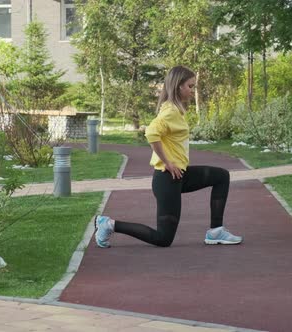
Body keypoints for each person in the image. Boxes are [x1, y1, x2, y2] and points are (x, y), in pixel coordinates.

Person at [93, 65, 242, 248]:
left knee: (221, 176)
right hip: (167, 179)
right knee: (163, 239)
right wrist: (167, 162)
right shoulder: (170, 111)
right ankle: (108, 224)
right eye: (190, 86)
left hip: (180, 175)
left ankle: (216, 231)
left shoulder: (176, 109)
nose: (192, 90)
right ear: (178, 86)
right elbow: (151, 133)